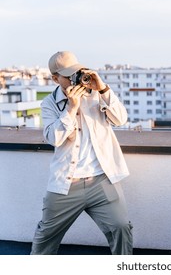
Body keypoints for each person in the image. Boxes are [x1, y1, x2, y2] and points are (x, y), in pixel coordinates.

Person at [31, 51, 133, 255]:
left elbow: (121, 119)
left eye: (77, 72)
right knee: (45, 238)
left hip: (101, 179)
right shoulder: (49, 103)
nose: (75, 78)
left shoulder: (96, 94)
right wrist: (71, 108)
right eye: (69, 75)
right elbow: (54, 138)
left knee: (121, 229)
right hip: (66, 185)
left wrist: (103, 88)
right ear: (55, 78)